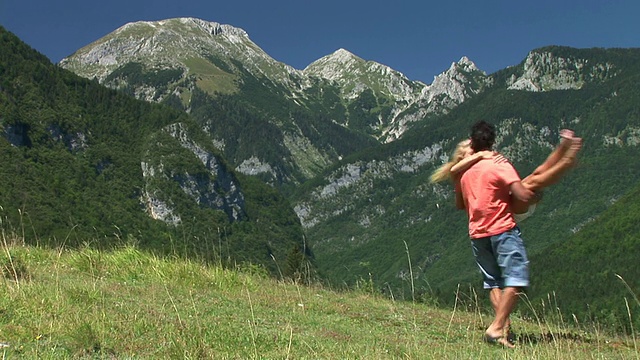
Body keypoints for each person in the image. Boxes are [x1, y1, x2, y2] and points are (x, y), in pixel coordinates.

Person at [454, 120, 535, 348]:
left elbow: (461, 204)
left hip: (477, 233)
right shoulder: (500, 163)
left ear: (473, 142)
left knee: (493, 282)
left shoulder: (465, 172)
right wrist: (534, 194)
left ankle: (502, 330)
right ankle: (496, 327)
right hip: (502, 229)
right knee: (516, 278)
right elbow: (522, 195)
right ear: (493, 141)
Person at [431, 129, 582, 219]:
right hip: (503, 214)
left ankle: (562, 148)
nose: (477, 152)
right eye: (472, 151)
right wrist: (480, 156)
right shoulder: (462, 172)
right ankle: (566, 162)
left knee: (535, 174)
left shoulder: (479, 166)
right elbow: (454, 170)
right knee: (532, 182)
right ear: (462, 157)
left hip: (506, 202)